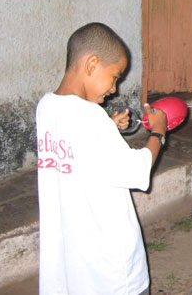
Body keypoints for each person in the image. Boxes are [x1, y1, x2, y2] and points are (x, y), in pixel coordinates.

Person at [36, 22, 167, 295]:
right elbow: (136, 171)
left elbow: (78, 142)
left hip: (71, 270)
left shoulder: (46, 107)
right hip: (111, 274)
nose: (114, 89)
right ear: (92, 64)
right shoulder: (91, 118)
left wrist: (108, 124)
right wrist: (158, 133)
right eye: (115, 76)